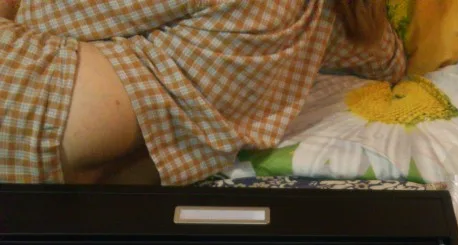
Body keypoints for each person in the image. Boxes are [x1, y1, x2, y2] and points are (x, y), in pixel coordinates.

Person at [0, 1, 405, 185]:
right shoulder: (332, 14)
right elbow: (388, 62)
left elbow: (40, 14)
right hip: (76, 130)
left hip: (35, 105)